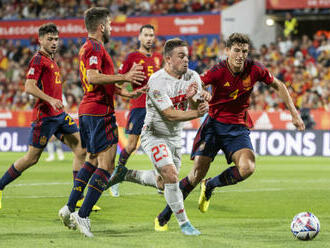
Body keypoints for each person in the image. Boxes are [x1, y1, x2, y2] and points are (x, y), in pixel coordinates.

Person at [153, 33, 305, 230]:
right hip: (214, 126)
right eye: (236, 50)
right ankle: (163, 216)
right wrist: (199, 96)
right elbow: (195, 87)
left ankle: (211, 185)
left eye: (244, 51)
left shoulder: (255, 69)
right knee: (196, 174)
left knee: (248, 167)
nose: (240, 55)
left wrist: (294, 114)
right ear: (227, 51)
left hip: (238, 128)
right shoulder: (217, 71)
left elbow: (279, 85)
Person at [58, 7, 145, 238]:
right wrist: (125, 77)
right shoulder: (94, 47)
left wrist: (126, 93)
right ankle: (83, 214)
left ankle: (69, 207)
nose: (112, 28)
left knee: (93, 159)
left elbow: (102, 82)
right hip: (99, 112)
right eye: (110, 24)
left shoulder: (90, 47)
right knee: (106, 166)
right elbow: (93, 77)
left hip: (90, 109)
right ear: (102, 27)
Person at [109, 38, 210, 236]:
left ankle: (126, 174)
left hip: (175, 137)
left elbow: (195, 107)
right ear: (168, 59)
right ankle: (184, 223)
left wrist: (195, 100)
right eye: (181, 56)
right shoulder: (156, 81)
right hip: (153, 134)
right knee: (171, 175)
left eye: (187, 56)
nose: (186, 60)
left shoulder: (193, 77)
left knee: (164, 182)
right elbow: (169, 114)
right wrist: (197, 113)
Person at [0, 23, 86, 210]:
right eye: (50, 39)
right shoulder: (38, 60)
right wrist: (50, 100)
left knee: (81, 149)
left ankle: (78, 196)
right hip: (45, 117)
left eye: (56, 39)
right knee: (32, 158)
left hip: (59, 115)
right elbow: (29, 87)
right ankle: (0, 186)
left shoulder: (52, 60)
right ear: (40, 40)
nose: (54, 42)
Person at [109, 24, 163, 197]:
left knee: (160, 145)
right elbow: (117, 83)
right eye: (146, 35)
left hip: (156, 109)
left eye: (151, 35)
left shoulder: (157, 58)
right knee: (131, 145)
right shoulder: (132, 57)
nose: (149, 38)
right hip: (139, 107)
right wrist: (129, 94)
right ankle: (116, 175)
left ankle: (162, 180)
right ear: (139, 37)